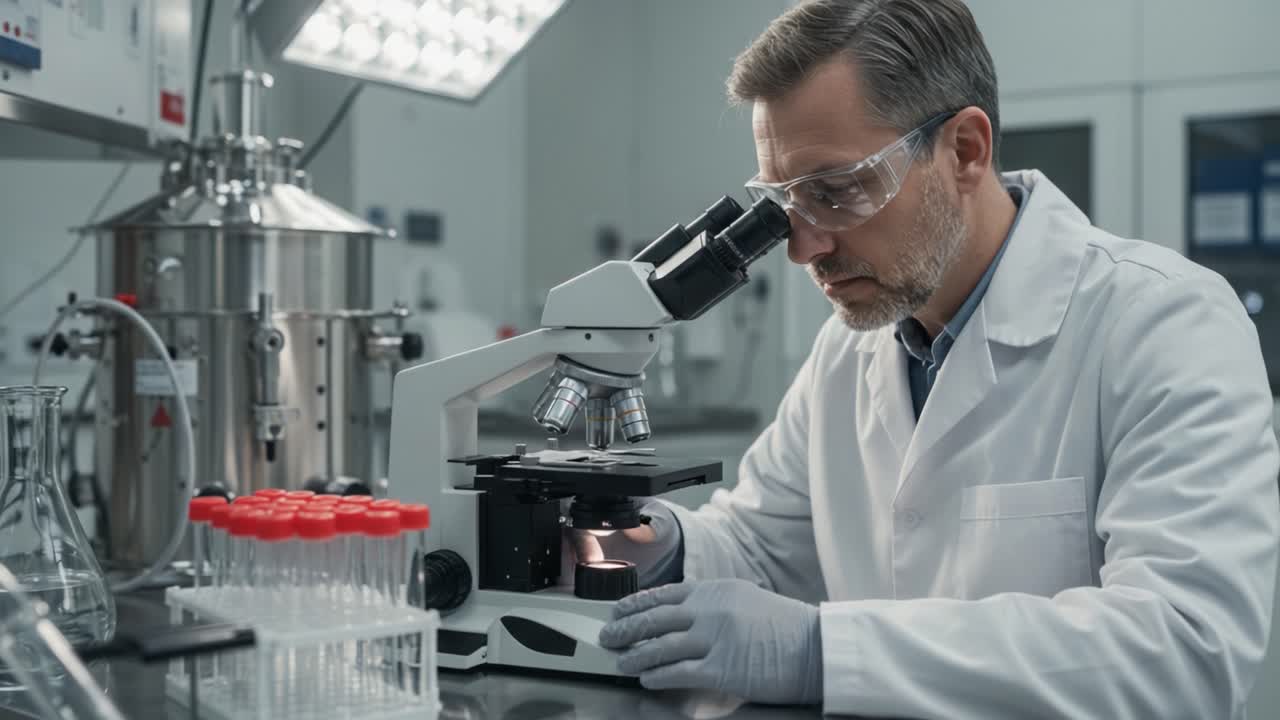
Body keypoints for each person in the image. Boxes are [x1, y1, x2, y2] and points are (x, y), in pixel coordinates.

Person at [591, 1, 1280, 717]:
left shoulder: (1163, 323)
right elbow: (761, 550)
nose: (804, 248)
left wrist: (820, 652)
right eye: (786, 205)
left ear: (965, 151)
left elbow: (1182, 652)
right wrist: (658, 543)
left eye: (837, 192)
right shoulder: (847, 348)